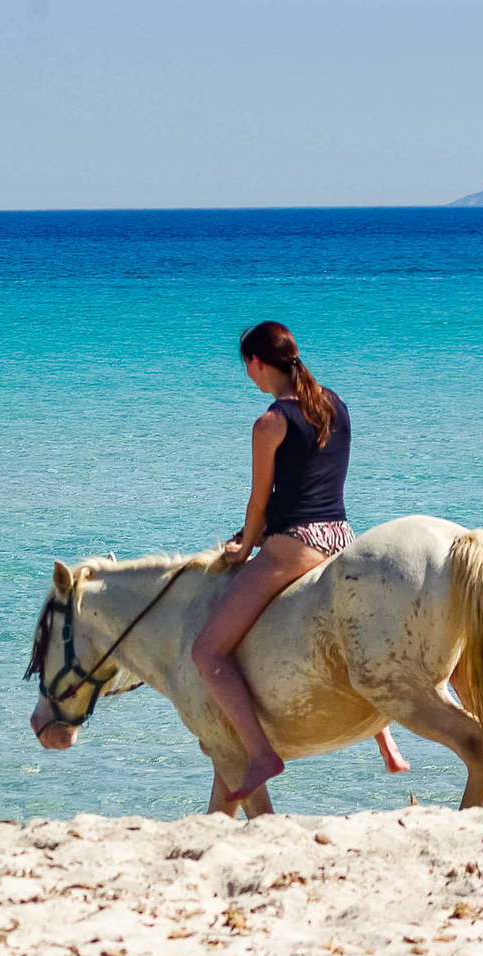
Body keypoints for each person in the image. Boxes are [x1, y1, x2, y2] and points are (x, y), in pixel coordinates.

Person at [191, 321, 406, 807]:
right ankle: (384, 737)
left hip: (298, 544)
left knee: (208, 653)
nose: (248, 375)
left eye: (246, 366)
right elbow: (315, 487)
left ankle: (261, 754)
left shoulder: (270, 422)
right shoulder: (336, 404)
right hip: (342, 538)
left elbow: (259, 503)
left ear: (256, 363)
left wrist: (244, 547)